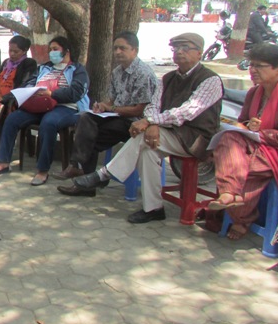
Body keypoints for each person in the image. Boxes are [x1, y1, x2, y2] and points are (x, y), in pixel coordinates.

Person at [63, 33, 223, 223]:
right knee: (147, 150)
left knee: (141, 136)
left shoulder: (210, 80)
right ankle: (153, 208)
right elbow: (154, 105)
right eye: (176, 48)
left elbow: (186, 112)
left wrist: (149, 122)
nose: (179, 52)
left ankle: (103, 174)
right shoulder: (168, 78)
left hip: (195, 139)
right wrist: (152, 122)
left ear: (199, 53)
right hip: (166, 132)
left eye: (186, 48)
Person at [208, 44, 278, 239]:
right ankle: (231, 195)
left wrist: (261, 131)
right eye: (251, 65)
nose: (253, 70)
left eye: (259, 66)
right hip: (257, 144)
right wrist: (246, 127)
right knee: (228, 137)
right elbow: (242, 123)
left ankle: (240, 216)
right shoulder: (254, 92)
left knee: (237, 166)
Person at [56, 31, 159, 195]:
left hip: (136, 123)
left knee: (89, 136)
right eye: (116, 48)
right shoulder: (117, 72)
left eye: (123, 48)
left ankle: (80, 174)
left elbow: (140, 109)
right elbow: (112, 100)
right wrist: (103, 106)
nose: (118, 52)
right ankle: (81, 174)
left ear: (135, 50)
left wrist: (112, 109)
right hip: (116, 119)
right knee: (86, 119)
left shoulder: (143, 73)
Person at [0, 36, 90, 186]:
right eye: (50, 49)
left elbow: (76, 92)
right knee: (13, 118)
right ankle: (4, 162)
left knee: (48, 123)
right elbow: (29, 83)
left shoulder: (77, 69)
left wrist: (52, 94)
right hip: (39, 106)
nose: (52, 52)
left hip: (65, 108)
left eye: (55, 49)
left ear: (66, 51)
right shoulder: (44, 68)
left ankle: (43, 170)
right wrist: (19, 94)